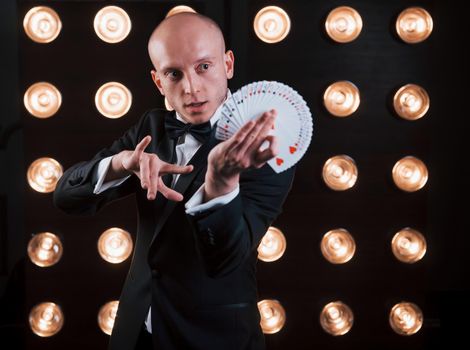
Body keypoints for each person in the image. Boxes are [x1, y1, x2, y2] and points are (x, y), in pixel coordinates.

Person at [53, 12, 295, 350]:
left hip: (215, 338)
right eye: (174, 73)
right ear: (158, 82)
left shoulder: (266, 146)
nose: (191, 87)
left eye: (204, 67)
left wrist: (221, 183)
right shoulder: (151, 128)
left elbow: (225, 259)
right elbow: (65, 196)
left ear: (228, 64)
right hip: (134, 333)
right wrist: (122, 163)